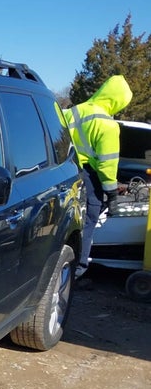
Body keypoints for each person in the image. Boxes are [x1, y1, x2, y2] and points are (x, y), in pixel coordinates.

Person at [63, 75, 133, 278]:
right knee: (87, 223)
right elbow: (107, 164)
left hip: (65, 173)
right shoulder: (108, 125)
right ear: (118, 100)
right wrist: (112, 195)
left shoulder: (73, 111)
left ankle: (60, 266)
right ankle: (77, 271)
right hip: (89, 178)